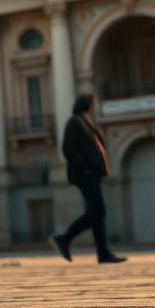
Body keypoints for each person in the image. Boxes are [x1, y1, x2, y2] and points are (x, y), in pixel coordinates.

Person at [51, 93, 127, 264]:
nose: (96, 106)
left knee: (96, 212)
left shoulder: (87, 123)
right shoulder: (75, 122)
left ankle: (73, 242)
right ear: (87, 104)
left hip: (93, 174)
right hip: (85, 175)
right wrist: (84, 166)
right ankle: (70, 240)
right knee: (98, 211)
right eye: (94, 103)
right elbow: (67, 147)